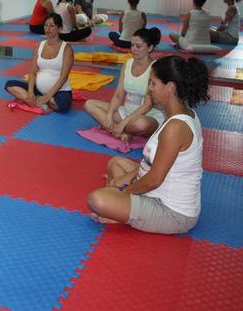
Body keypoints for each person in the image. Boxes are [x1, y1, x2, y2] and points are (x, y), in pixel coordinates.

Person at [87, 55, 210, 234]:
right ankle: (122, 209)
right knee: (115, 162)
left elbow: (154, 180)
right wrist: (123, 180)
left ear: (170, 87)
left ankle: (120, 213)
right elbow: (153, 164)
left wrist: (124, 191)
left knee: (96, 200)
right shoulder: (180, 113)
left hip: (172, 213)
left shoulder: (176, 127)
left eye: (153, 83)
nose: (149, 89)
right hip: (154, 189)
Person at [85, 28, 165, 143]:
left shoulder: (155, 68)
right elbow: (118, 95)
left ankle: (121, 129)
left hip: (147, 116)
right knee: (89, 104)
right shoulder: (127, 64)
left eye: (138, 46)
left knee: (140, 125)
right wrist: (109, 114)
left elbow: (148, 105)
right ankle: (121, 133)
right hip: (125, 111)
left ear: (150, 48)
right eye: (132, 45)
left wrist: (123, 123)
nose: (133, 49)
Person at [5, 13, 73, 112]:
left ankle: (38, 101)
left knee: (62, 105)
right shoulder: (39, 46)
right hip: (38, 90)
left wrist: (47, 96)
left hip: (59, 91)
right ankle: (37, 100)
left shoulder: (67, 49)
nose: (48, 28)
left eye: (52, 25)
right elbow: (33, 72)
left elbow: (63, 77)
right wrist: (30, 91)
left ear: (59, 28)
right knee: (9, 85)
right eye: (46, 25)